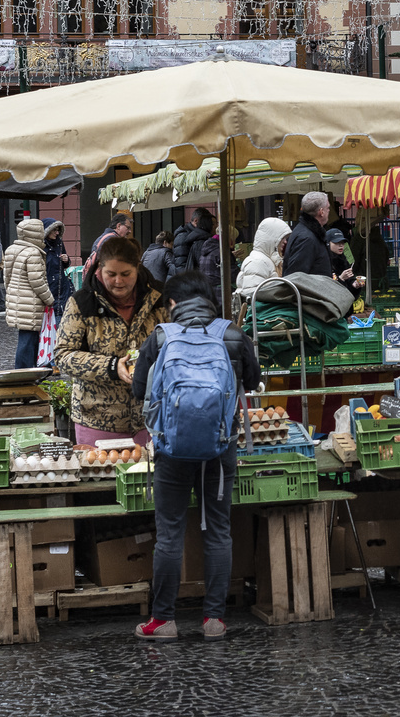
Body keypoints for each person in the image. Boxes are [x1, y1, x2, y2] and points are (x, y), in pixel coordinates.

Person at [130, 270, 260, 642]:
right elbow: (251, 382)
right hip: (220, 449)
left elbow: (140, 389)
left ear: (173, 304)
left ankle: (163, 620)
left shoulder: (160, 337)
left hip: (172, 451)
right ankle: (214, 620)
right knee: (218, 531)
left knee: (169, 534)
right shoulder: (233, 335)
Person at [53, 238, 171, 445]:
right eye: (111, 274)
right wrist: (111, 367)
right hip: (97, 419)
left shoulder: (160, 298)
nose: (118, 281)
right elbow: (63, 355)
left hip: (154, 416)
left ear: (138, 268)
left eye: (126, 274)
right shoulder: (82, 302)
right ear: (99, 269)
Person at [1, 218, 55, 369]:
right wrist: (49, 299)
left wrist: (13, 293)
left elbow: (6, 278)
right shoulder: (34, 253)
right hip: (30, 303)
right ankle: (25, 372)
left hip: (18, 300)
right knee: (28, 339)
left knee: (26, 337)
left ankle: (27, 370)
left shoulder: (11, 249)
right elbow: (37, 282)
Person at [235, 216, 292, 301]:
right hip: (261, 313)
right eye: (282, 238)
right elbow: (253, 296)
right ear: (272, 239)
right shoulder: (257, 262)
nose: (285, 241)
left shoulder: (268, 260)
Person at [280, 191, 334, 278]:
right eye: (328, 208)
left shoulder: (306, 233)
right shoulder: (306, 238)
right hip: (312, 291)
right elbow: (295, 278)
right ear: (321, 212)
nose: (329, 211)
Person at [42, 218, 75, 322]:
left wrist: (66, 259)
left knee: (62, 313)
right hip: (49, 286)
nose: (57, 233)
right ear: (47, 230)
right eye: (54, 230)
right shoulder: (41, 246)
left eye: (58, 230)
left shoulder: (59, 242)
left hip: (62, 285)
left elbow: (65, 265)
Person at [170, 207, 214, 275]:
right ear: (196, 221)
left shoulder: (195, 235)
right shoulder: (183, 236)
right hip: (185, 279)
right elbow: (181, 264)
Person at [326, 228, 365, 297]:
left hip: (345, 303)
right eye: (337, 242)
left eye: (342, 242)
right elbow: (325, 287)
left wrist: (355, 284)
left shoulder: (344, 260)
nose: (341, 245)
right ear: (328, 243)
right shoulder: (323, 261)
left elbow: (349, 282)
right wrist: (341, 278)